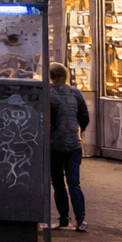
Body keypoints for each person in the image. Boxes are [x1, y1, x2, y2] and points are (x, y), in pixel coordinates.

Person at [49, 63, 90, 233]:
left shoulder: (48, 93)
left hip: (54, 145)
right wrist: (78, 130)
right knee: (74, 183)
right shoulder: (75, 92)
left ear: (51, 76)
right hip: (74, 144)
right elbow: (85, 116)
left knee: (58, 184)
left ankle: (64, 219)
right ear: (65, 76)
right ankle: (80, 220)